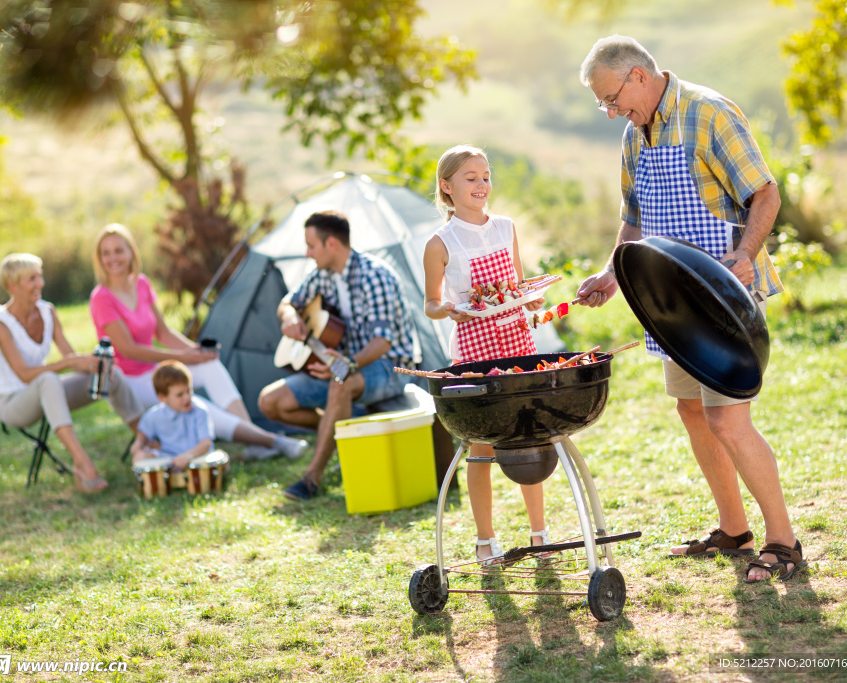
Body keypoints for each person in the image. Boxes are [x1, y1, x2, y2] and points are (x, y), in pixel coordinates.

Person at [575, 35, 804, 583]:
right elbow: (633, 217)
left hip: (723, 300)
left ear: (636, 75)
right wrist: (612, 272)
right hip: (671, 305)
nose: (611, 112)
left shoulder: (708, 113)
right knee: (692, 412)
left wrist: (746, 255)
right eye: (603, 104)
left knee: (727, 417)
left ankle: (783, 541)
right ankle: (735, 529)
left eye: (612, 98)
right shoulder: (635, 134)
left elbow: (765, 194)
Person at [422, 145, 552, 565]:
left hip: (516, 340)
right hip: (473, 348)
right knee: (481, 447)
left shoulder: (505, 227)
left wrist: (527, 299)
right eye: (470, 178)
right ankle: (485, 540)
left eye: (485, 176)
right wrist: (447, 310)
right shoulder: (440, 242)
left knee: (528, 436)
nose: (481, 185)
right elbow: (431, 303)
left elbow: (513, 285)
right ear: (447, 187)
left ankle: (539, 534)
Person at [89, 223, 306, 461]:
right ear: (99, 259)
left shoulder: (141, 284)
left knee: (209, 365)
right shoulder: (101, 298)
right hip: (130, 383)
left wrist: (196, 351)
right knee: (195, 403)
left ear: (131, 252)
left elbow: (163, 332)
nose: (113, 258)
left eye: (118, 250)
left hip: (154, 372)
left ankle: (252, 438)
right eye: (106, 253)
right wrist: (183, 358)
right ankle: (267, 440)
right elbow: (129, 350)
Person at [258, 210, 416, 501]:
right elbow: (289, 302)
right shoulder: (322, 275)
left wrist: (348, 364)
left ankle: (312, 476)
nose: (307, 254)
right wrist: (289, 316)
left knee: (341, 383)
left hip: (388, 367)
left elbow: (382, 342)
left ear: (331, 244)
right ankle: (339, 428)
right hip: (340, 368)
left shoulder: (375, 276)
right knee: (270, 402)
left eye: (311, 246)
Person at [0, 253, 144, 493]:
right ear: (12, 286)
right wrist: (67, 363)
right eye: (31, 279)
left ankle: (146, 440)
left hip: (47, 394)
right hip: (13, 403)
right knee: (48, 379)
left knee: (110, 374)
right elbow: (24, 374)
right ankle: (82, 466)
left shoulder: (47, 311)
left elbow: (70, 359)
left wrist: (93, 364)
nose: (40, 284)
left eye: (39, 276)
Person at [130, 360, 215, 472]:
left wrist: (188, 455)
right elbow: (142, 436)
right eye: (180, 394)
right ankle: (151, 484)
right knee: (139, 457)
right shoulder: (153, 415)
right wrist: (138, 444)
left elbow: (206, 443)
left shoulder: (200, 411)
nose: (187, 397)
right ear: (162, 397)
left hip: (196, 458)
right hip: (169, 459)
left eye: (189, 390)